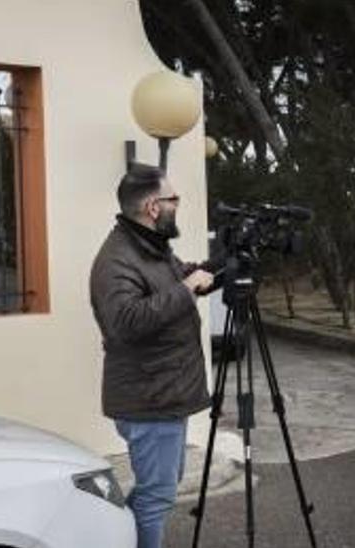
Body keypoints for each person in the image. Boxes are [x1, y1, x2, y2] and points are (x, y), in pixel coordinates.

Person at [89, 163, 216, 548]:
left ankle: (117, 539)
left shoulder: (150, 247)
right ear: (152, 206)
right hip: (149, 398)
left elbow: (183, 276)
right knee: (157, 496)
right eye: (173, 198)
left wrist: (218, 266)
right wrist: (188, 289)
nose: (178, 204)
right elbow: (124, 322)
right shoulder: (117, 259)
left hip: (163, 393)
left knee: (158, 489)